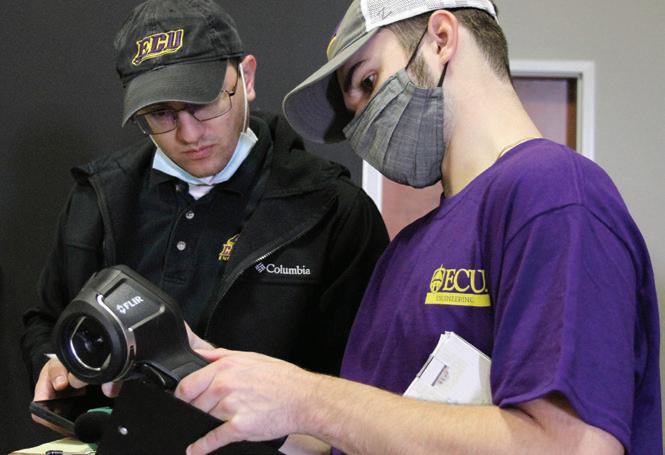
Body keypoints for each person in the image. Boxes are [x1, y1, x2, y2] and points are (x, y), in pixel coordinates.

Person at [173, 1, 662, 454]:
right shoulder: (406, 250)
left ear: (441, 39)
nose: (361, 122)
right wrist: (230, 384)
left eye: (367, 82)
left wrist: (307, 398)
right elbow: (364, 433)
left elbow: (568, 446)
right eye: (351, 109)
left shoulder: (552, 193)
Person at [20, 0, 388, 441]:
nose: (189, 134)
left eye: (204, 103)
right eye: (162, 114)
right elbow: (48, 319)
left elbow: (370, 380)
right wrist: (55, 365)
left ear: (246, 79)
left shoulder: (331, 210)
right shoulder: (98, 198)